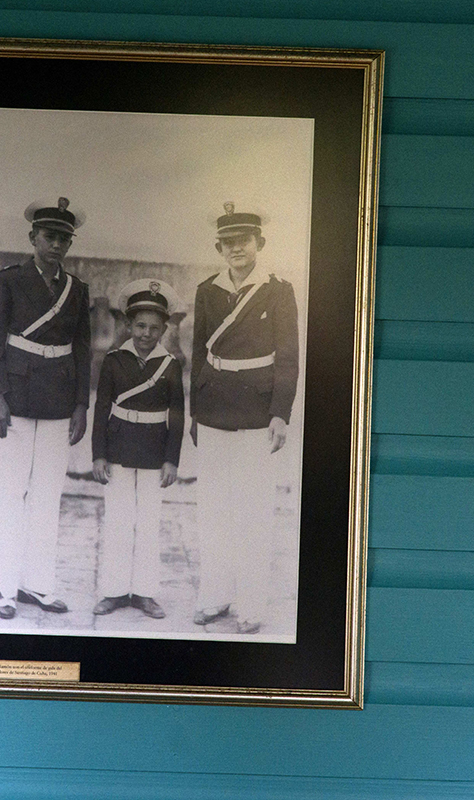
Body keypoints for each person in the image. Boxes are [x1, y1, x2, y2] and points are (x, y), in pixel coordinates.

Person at [189, 203, 299, 635]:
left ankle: (251, 604)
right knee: (213, 508)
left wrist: (280, 413)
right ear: (219, 247)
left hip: (257, 411)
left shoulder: (278, 290)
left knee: (253, 510)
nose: (236, 248)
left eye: (244, 240)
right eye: (228, 242)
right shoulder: (207, 290)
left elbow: (288, 356)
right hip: (214, 407)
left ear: (260, 244)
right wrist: (197, 410)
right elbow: (199, 353)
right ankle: (215, 595)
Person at [0, 197, 91, 619]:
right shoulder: (8, 281)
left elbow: (81, 350)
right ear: (33, 238)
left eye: (64, 238)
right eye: (49, 236)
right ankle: (4, 589)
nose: (57, 244)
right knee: (10, 496)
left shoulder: (77, 290)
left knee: (47, 498)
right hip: (17, 400)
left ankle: (38, 585)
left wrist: (81, 404)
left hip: (59, 403)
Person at [91, 279, 184, 620]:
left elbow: (177, 415)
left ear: (164, 330)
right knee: (117, 521)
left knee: (148, 523)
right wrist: (98, 454)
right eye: (140, 326)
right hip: (117, 450)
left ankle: (145, 593)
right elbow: (101, 408)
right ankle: (114, 592)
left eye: (154, 328)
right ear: (128, 325)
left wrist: (172, 460)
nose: (146, 333)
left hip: (153, 454)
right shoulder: (114, 361)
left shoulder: (171, 365)